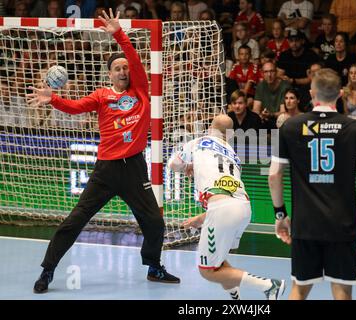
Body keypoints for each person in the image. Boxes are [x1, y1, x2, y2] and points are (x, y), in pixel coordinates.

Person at [27, 9, 179, 294]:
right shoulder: (101, 95)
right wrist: (54, 99)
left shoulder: (141, 91)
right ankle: (48, 271)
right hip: (106, 170)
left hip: (134, 168)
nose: (123, 70)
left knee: (155, 221)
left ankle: (154, 267)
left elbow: (134, 59)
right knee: (75, 220)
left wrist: (119, 35)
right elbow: (75, 108)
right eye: (117, 68)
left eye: (125, 67)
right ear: (109, 74)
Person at [268, 68, 356, 300]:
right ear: (340, 94)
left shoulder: (290, 126)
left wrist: (280, 216)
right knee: (342, 291)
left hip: (305, 224)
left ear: (311, 93)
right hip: (343, 225)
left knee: (299, 288)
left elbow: (274, 175)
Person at [169, 114, 285, 300]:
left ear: (209, 129)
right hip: (244, 209)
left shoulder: (199, 142)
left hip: (223, 210)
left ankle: (269, 285)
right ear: (229, 135)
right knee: (219, 260)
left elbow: (173, 164)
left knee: (207, 271)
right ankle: (234, 296)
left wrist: (187, 167)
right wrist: (199, 219)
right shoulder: (233, 154)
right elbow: (225, 197)